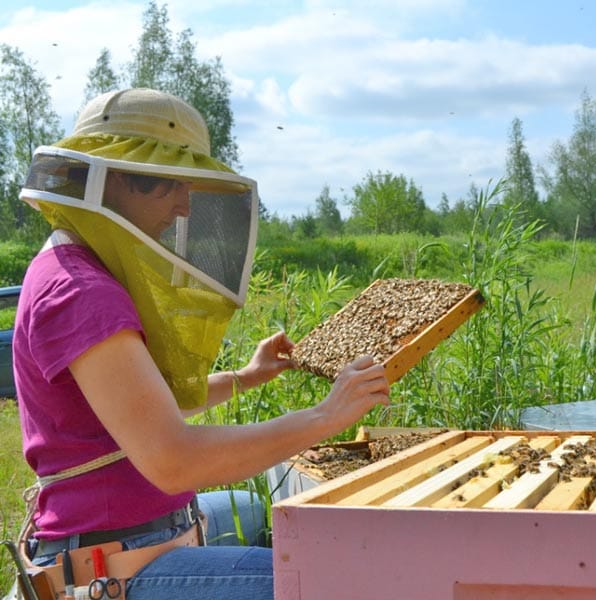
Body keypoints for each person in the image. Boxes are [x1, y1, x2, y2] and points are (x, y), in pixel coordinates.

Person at [12, 88, 390, 600]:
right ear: (116, 178)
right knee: (326, 583)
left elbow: (142, 405)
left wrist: (246, 377)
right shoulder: (81, 292)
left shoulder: (74, 265)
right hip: (112, 563)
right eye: (170, 185)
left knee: (259, 509)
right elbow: (174, 460)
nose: (184, 206)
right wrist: (325, 417)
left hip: (135, 534)